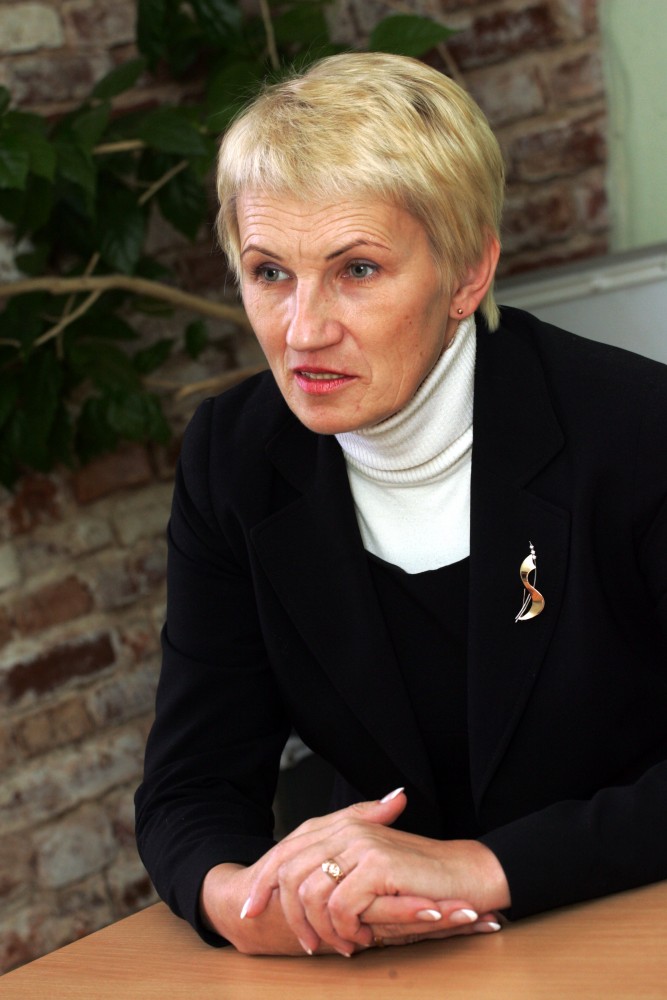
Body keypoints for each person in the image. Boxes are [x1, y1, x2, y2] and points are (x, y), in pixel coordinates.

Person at [135, 52, 667, 958]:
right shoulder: (235, 458)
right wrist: (244, 902)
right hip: (402, 956)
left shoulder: (635, 431)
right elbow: (193, 781)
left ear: (467, 274)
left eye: (357, 269)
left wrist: (482, 868)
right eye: (269, 272)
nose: (303, 330)